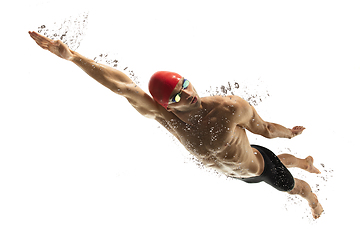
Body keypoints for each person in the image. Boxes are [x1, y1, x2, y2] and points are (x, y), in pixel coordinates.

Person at [29, 31, 324, 219]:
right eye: (178, 96)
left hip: (259, 167)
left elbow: (267, 130)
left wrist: (291, 133)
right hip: (240, 171)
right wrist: (72, 57)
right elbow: (125, 88)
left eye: (185, 85)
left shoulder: (228, 108)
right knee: (261, 164)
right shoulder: (166, 119)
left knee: (291, 185)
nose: (189, 94)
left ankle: (312, 196)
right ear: (165, 106)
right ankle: (302, 161)